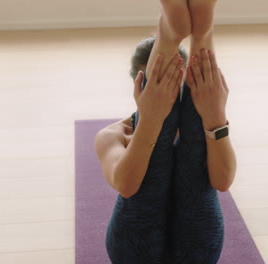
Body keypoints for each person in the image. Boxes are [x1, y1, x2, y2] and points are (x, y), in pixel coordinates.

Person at [94, 0, 237, 263]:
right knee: (170, 145)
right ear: (138, 84)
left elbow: (222, 181)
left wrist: (215, 117)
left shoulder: (200, 120)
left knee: (192, 142)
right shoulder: (112, 135)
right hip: (145, 249)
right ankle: (198, 35)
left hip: (157, 247)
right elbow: (126, 186)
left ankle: (174, 32)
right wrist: (150, 120)